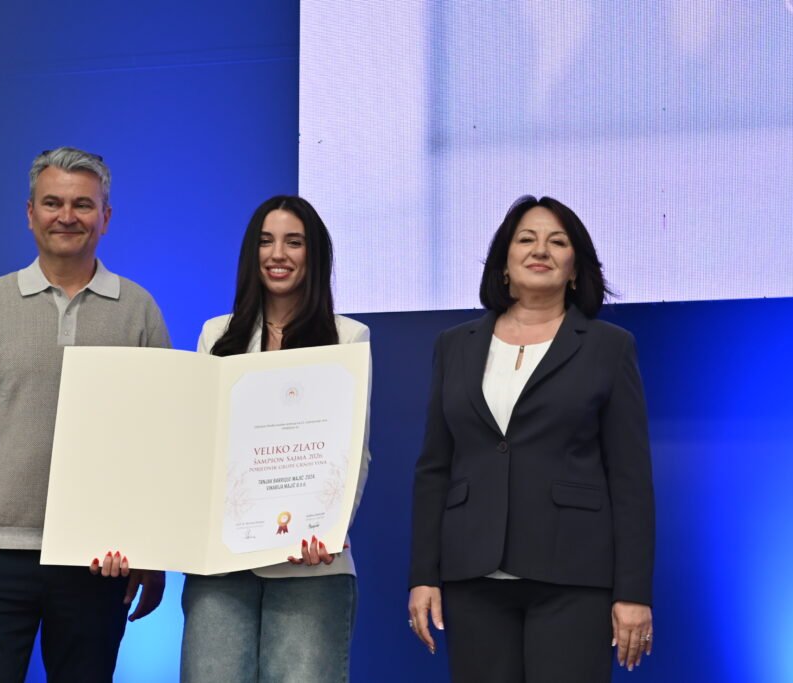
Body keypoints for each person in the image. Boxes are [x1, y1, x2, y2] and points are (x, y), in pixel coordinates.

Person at [0, 147, 170, 682]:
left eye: (82, 205)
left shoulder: (138, 310)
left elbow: (159, 440)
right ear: (30, 213)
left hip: (97, 561)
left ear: (106, 217)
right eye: (52, 203)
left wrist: (151, 547)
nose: (67, 216)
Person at [407, 196, 655, 682]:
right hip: (472, 574)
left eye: (557, 242)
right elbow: (434, 468)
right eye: (526, 239)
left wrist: (633, 591)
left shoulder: (609, 347)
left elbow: (630, 478)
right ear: (503, 264)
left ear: (575, 269)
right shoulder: (454, 346)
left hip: (574, 576)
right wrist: (423, 575)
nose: (540, 250)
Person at [180, 195, 371, 682]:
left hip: (312, 566)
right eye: (266, 241)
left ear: (314, 254)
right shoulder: (215, 336)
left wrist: (328, 528)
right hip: (222, 565)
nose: (278, 254)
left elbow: (355, 453)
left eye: (294, 242)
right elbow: (199, 447)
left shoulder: (348, 339)